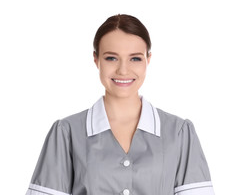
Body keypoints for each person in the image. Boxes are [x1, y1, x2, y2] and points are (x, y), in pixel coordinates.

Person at [25, 14, 215, 195]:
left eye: (135, 58)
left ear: (148, 60)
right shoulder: (66, 133)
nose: (123, 70)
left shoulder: (179, 133)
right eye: (111, 58)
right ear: (96, 59)